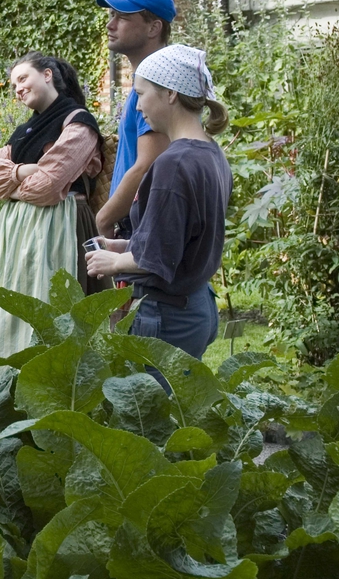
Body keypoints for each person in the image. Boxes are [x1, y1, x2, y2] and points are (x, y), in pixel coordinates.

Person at [85, 44, 231, 372]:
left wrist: (115, 261)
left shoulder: (173, 163)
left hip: (168, 316)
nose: (137, 108)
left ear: (169, 94)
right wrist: (122, 245)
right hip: (197, 306)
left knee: (152, 419)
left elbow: (158, 259)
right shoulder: (211, 152)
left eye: (140, 94)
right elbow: (178, 239)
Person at [0, 52, 106, 357]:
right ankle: (12, 388)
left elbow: (49, 186)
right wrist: (28, 170)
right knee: (20, 309)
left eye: (23, 78)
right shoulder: (24, 130)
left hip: (59, 227)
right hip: (20, 234)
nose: (18, 88)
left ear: (48, 74)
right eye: (13, 85)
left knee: (54, 307)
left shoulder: (78, 122)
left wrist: (12, 180)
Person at [94, 0, 175, 239]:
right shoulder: (146, 81)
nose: (110, 24)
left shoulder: (157, 84)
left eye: (123, 17)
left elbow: (148, 164)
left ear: (154, 27)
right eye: (112, 16)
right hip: (136, 224)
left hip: (143, 228)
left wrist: (104, 219)